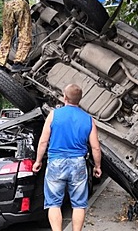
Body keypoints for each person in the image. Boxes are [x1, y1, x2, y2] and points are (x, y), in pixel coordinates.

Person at [32, 83, 102, 231]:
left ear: (65, 97)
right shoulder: (88, 119)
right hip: (78, 164)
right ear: (79, 99)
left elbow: (43, 141)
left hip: (56, 163)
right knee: (78, 204)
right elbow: (95, 147)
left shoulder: (54, 115)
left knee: (54, 203)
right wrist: (97, 166)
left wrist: (38, 161)